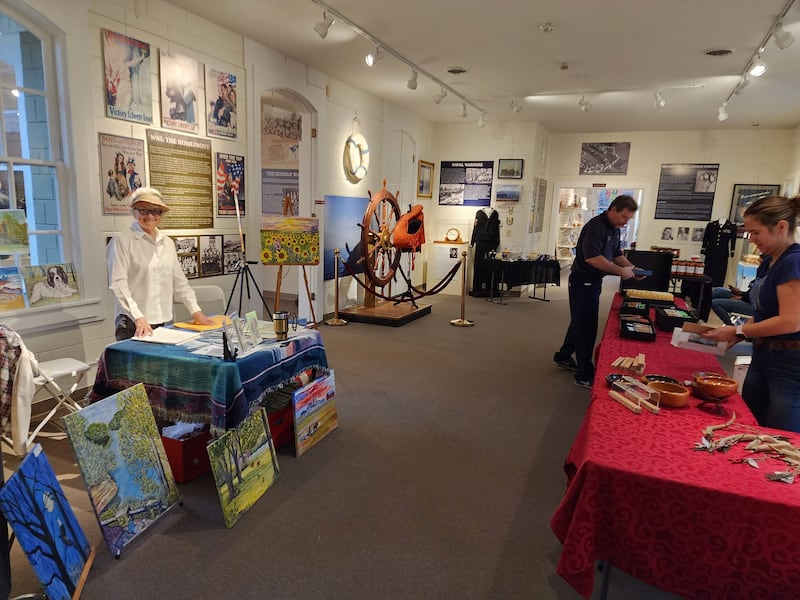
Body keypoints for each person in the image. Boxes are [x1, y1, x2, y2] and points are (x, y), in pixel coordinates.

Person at [702, 195, 800, 432]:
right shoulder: (769, 262)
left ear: (780, 227)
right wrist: (740, 335)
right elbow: (764, 311)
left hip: (789, 367)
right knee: (751, 426)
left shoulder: (793, 262)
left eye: (755, 233)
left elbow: (790, 321)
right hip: (762, 357)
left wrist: (738, 329)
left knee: (779, 436)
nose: (752, 239)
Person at [554, 194, 640, 388]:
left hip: (594, 281)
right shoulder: (595, 227)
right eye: (624, 217)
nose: (625, 222)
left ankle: (563, 356)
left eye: (629, 219)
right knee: (586, 326)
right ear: (613, 209)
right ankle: (584, 374)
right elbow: (593, 258)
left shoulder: (614, 229)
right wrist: (620, 272)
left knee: (580, 320)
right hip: (582, 281)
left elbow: (617, 254)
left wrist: (632, 268)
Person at [107, 187, 213, 340]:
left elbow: (180, 282)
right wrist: (138, 317)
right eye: (143, 210)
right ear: (134, 211)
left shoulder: (167, 243)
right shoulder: (122, 241)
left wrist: (196, 312)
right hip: (133, 322)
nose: (150, 215)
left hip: (163, 319)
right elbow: (118, 284)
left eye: (155, 211)